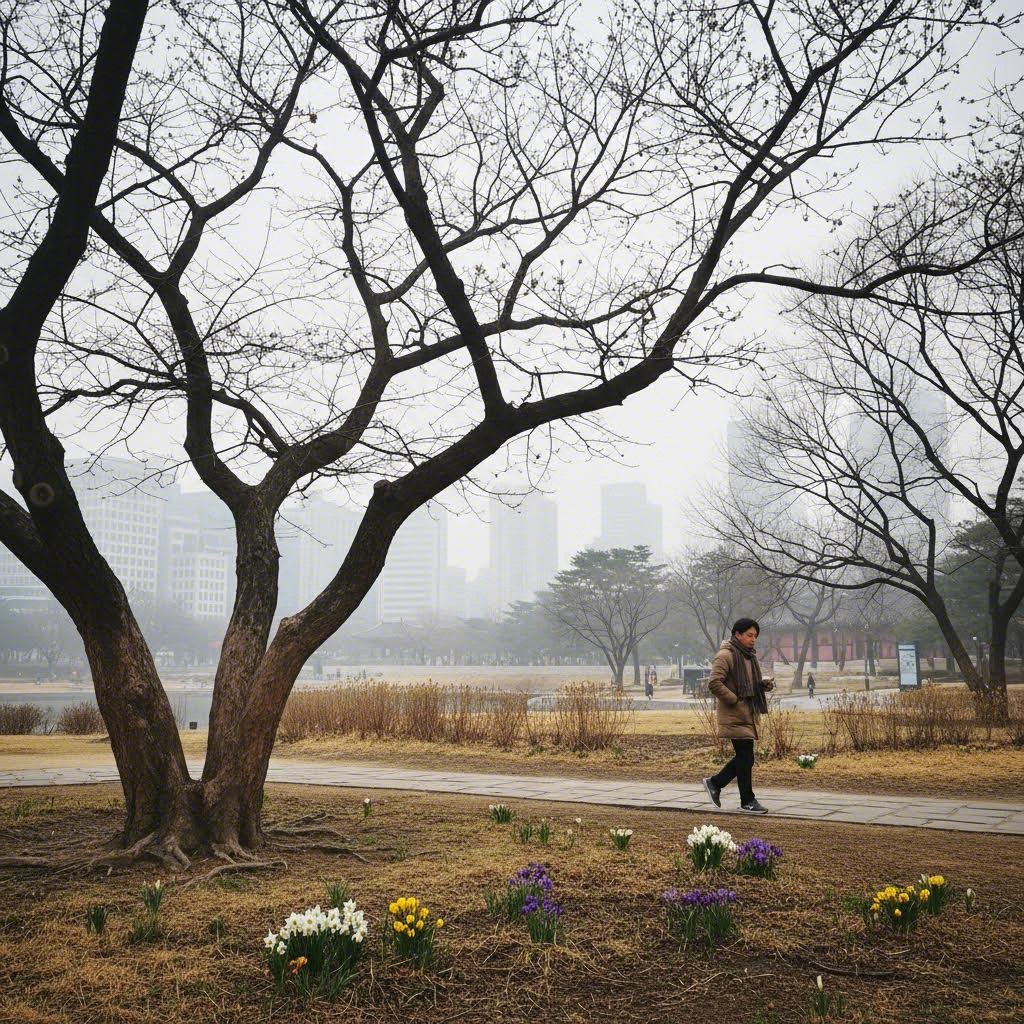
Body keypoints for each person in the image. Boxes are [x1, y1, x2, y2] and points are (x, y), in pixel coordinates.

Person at [702, 617, 775, 814]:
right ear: (738, 634)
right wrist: (734, 699)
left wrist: (763, 685)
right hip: (735, 713)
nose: (753, 640)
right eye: (749, 635)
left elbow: (749, 684)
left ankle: (715, 783)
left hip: (747, 712)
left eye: (755, 636)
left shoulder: (748, 656)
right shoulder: (725, 655)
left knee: (746, 757)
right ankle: (747, 800)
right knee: (745, 756)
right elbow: (714, 683)